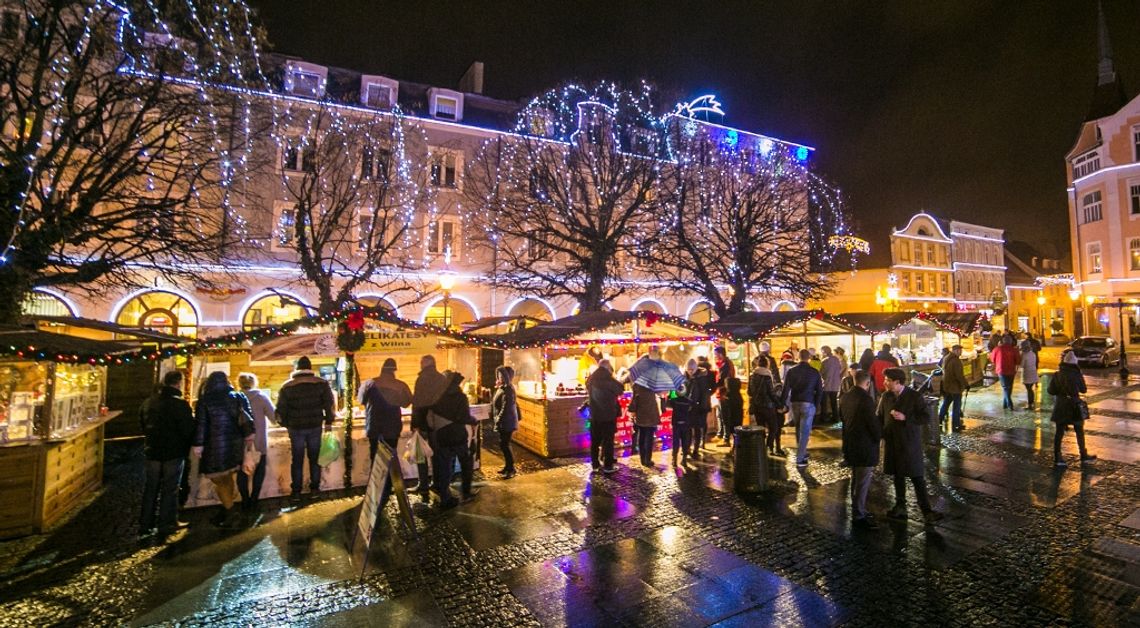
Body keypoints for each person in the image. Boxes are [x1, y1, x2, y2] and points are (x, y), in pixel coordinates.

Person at [878, 368, 943, 524]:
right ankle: (900, 507)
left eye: (888, 380)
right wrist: (880, 436)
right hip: (892, 442)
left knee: (916, 476)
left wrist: (906, 417)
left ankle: (926, 511)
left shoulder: (914, 396)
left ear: (897, 382)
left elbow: (925, 417)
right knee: (897, 475)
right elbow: (879, 417)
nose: (884, 383)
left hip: (909, 442)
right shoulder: (886, 396)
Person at [193, 372, 254, 528]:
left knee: (220, 480)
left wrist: (198, 445)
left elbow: (201, 425)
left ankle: (231, 512)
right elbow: (248, 421)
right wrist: (249, 440)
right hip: (235, 446)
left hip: (214, 447)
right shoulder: (238, 396)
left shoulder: (205, 400)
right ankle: (228, 509)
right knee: (226, 479)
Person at [139, 370, 195, 537]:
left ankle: (145, 524)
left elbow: (142, 423)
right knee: (170, 488)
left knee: (151, 488)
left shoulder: (149, 403)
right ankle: (167, 523)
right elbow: (188, 430)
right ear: (178, 383)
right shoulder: (180, 405)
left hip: (152, 451)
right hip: (174, 452)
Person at [275, 356, 336, 505]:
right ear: (310, 368)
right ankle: (315, 489)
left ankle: (296, 491)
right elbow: (329, 404)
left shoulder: (287, 386)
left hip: (295, 428)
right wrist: (328, 421)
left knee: (297, 460)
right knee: (314, 459)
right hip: (315, 425)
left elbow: (280, 410)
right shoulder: (321, 383)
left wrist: (286, 424)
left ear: (297, 369)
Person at [358, 358, 412, 510]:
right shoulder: (400, 385)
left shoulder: (369, 383)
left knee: (375, 457)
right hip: (392, 428)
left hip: (373, 427)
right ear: (394, 369)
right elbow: (407, 402)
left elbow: (360, 400)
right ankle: (387, 488)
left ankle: (375, 488)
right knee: (390, 458)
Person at [429, 370, 479, 507]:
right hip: (458, 435)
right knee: (465, 463)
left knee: (445, 466)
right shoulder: (460, 397)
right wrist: (473, 420)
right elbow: (463, 417)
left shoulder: (437, 396)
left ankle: (445, 497)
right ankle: (466, 492)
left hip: (442, 436)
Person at [840, 370, 881, 529]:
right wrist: (879, 436)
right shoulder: (866, 400)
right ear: (868, 383)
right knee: (862, 481)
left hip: (851, 444)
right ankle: (859, 515)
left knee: (856, 479)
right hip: (864, 445)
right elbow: (872, 423)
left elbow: (843, 420)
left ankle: (858, 508)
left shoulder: (845, 397)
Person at [1049, 351, 1097, 467]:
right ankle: (1083, 455)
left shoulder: (1057, 374)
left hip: (1061, 406)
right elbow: (1083, 390)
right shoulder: (1076, 374)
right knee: (1079, 431)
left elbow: (1051, 391)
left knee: (1059, 433)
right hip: (1074, 405)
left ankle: (1058, 457)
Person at [411, 355, 448, 500]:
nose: (420, 364)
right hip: (438, 423)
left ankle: (423, 484)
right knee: (437, 454)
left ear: (427, 363)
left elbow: (417, 402)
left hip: (423, 423)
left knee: (421, 454)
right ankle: (437, 482)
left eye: (421, 362)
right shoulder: (442, 379)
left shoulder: (422, 379)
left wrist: (415, 424)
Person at [236, 372, 275, 512]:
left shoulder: (235, 398)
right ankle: (254, 499)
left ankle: (245, 501)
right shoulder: (262, 397)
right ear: (254, 383)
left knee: (242, 473)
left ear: (239, 384)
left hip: (240, 442)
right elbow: (274, 418)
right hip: (259, 442)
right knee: (259, 471)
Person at [783, 349, 823, 467]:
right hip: (808, 402)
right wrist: (817, 404)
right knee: (805, 430)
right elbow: (819, 390)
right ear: (809, 358)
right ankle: (800, 459)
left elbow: (786, 388)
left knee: (798, 428)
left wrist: (782, 403)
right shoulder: (814, 372)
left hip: (795, 402)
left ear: (798, 357)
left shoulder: (792, 371)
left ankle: (802, 452)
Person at [587, 359, 623, 473]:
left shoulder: (591, 379)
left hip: (595, 415)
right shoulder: (609, 379)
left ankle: (595, 464)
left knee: (595, 441)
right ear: (608, 367)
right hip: (608, 415)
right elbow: (620, 389)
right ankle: (608, 466)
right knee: (608, 441)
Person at [748, 356, 785, 456]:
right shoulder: (767, 376)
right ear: (767, 364)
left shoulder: (752, 376)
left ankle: (762, 448)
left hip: (756, 406)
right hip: (767, 406)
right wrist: (779, 404)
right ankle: (769, 446)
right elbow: (771, 393)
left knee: (761, 428)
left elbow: (749, 392)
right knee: (774, 428)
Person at [491, 365, 519, 479]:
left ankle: (511, 468)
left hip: (507, 421)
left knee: (505, 444)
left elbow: (506, 407)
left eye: (501, 375)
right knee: (503, 444)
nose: (499, 377)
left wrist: (498, 419)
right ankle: (508, 466)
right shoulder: (503, 388)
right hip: (504, 421)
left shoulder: (508, 390)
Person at [630, 382, 661, 468]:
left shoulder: (636, 385)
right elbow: (660, 393)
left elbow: (634, 400)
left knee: (642, 436)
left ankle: (643, 459)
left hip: (641, 413)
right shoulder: (653, 383)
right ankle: (648, 459)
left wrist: (632, 410)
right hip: (651, 414)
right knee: (649, 438)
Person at [938, 345, 969, 432]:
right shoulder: (956, 361)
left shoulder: (946, 358)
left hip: (947, 386)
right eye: (959, 350)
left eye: (961, 350)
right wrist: (966, 384)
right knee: (957, 406)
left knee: (946, 403)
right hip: (955, 387)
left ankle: (939, 419)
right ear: (955, 350)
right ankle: (956, 425)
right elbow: (959, 375)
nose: (961, 352)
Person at [688, 358, 715, 456]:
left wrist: (702, 402)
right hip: (698, 405)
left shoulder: (702, 377)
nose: (690, 371)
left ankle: (697, 446)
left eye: (691, 370)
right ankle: (698, 444)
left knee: (697, 426)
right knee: (697, 425)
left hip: (700, 405)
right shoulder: (693, 376)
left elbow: (705, 391)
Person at [668, 376, 694, 467]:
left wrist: (672, 390)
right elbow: (692, 406)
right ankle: (684, 460)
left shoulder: (674, 400)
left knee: (675, 442)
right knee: (685, 442)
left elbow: (669, 402)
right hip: (686, 424)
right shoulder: (688, 401)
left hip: (676, 424)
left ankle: (674, 460)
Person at [989, 335, 1020, 410]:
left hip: (1001, 370)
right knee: (1009, 387)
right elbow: (1018, 360)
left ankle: (1008, 404)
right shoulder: (1014, 350)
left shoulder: (997, 349)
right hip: (1011, 371)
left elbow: (992, 359)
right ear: (1011, 342)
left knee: (1005, 387)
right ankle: (1006, 404)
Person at [713, 346, 736, 445]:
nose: (715, 356)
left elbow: (722, 380)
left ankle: (726, 438)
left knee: (724, 415)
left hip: (724, 393)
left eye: (716, 354)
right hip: (721, 392)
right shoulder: (724, 364)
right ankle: (720, 434)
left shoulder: (725, 365)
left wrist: (712, 386)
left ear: (720, 354)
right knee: (720, 414)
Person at [819, 346, 844, 424]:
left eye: (822, 352)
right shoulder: (836, 360)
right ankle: (835, 417)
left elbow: (821, 372)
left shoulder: (824, 361)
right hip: (835, 384)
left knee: (824, 402)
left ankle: (824, 417)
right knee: (833, 402)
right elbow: (839, 369)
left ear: (825, 352)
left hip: (826, 384)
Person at [721, 377, 744, 447]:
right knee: (737, 432)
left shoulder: (727, 397)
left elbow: (725, 411)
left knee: (734, 433)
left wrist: (725, 420)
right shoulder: (738, 396)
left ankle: (736, 447)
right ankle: (736, 446)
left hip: (730, 419)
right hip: (738, 418)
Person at [1022, 344, 1039, 411]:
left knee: (1029, 389)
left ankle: (1030, 403)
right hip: (1033, 372)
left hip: (1027, 373)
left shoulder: (1025, 355)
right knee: (1030, 388)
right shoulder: (1033, 354)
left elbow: (1022, 365)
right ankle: (1031, 402)